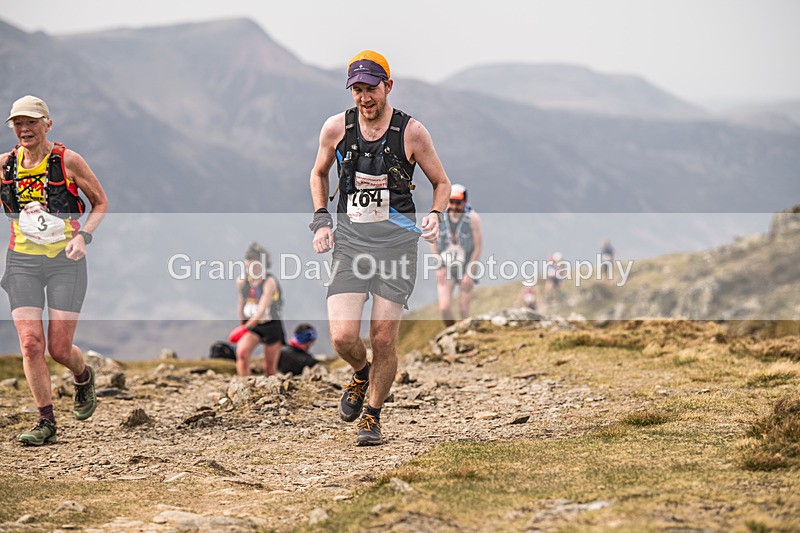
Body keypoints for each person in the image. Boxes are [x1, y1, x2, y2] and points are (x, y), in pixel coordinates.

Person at [309, 50, 451, 445]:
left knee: (385, 338)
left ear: (387, 86)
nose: (364, 98)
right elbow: (318, 173)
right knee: (342, 337)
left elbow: (442, 183)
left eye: (371, 88)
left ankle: (371, 414)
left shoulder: (412, 133)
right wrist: (321, 219)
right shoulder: (336, 129)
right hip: (351, 244)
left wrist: (437, 215)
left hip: (396, 247)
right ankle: (360, 371)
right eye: (357, 89)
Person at [0, 95, 108, 446]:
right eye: (18, 123)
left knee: (59, 349)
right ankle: (45, 420)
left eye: (31, 121)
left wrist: (85, 237)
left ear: (48, 123)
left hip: (66, 261)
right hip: (22, 261)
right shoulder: (5, 166)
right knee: (31, 343)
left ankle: (82, 375)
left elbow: (100, 202)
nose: (24, 128)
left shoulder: (68, 161)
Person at [431, 184, 483, 327]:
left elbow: (478, 247)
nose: (454, 206)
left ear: (465, 202)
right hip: (446, 266)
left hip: (466, 266)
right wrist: (439, 266)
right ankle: (453, 333)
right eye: (451, 202)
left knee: (463, 310)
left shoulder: (473, 219)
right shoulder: (439, 216)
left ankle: (469, 336)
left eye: (458, 203)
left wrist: (470, 273)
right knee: (444, 308)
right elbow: (433, 242)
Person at [235, 242, 285, 377]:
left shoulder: (269, 281)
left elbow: (263, 306)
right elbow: (241, 301)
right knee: (242, 354)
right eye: (248, 261)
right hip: (251, 325)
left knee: (269, 368)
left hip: (270, 325)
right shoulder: (242, 281)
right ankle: (244, 386)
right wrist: (242, 322)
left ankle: (273, 393)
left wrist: (248, 324)